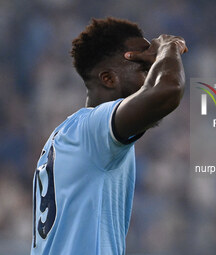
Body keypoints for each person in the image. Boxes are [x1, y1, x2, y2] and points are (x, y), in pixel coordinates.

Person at [31, 17, 187, 255]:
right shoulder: (94, 131)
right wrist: (169, 47)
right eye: (145, 69)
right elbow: (168, 90)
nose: (151, 77)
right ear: (108, 78)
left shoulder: (64, 136)